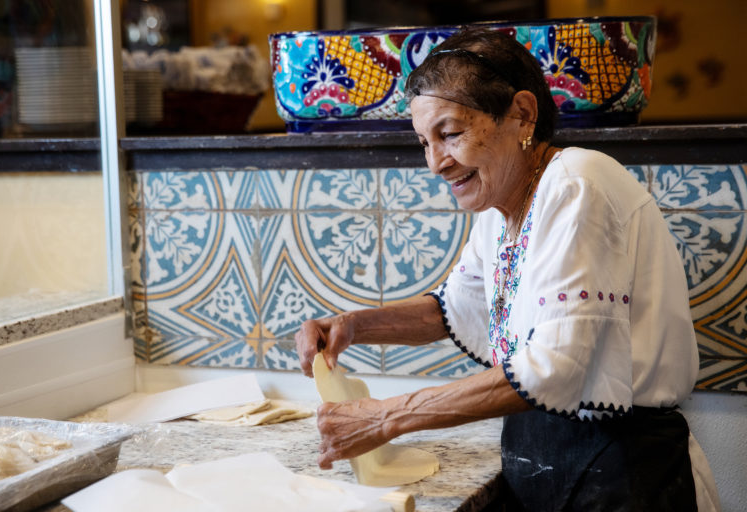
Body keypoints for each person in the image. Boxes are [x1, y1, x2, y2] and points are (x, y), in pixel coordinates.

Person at [294, 27, 720, 511]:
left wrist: (385, 417)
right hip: (545, 461)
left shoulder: (577, 184)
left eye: (450, 134)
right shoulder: (502, 208)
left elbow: (555, 367)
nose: (435, 163)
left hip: (625, 471)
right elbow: (455, 308)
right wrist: (352, 326)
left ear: (521, 114)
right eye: (424, 142)